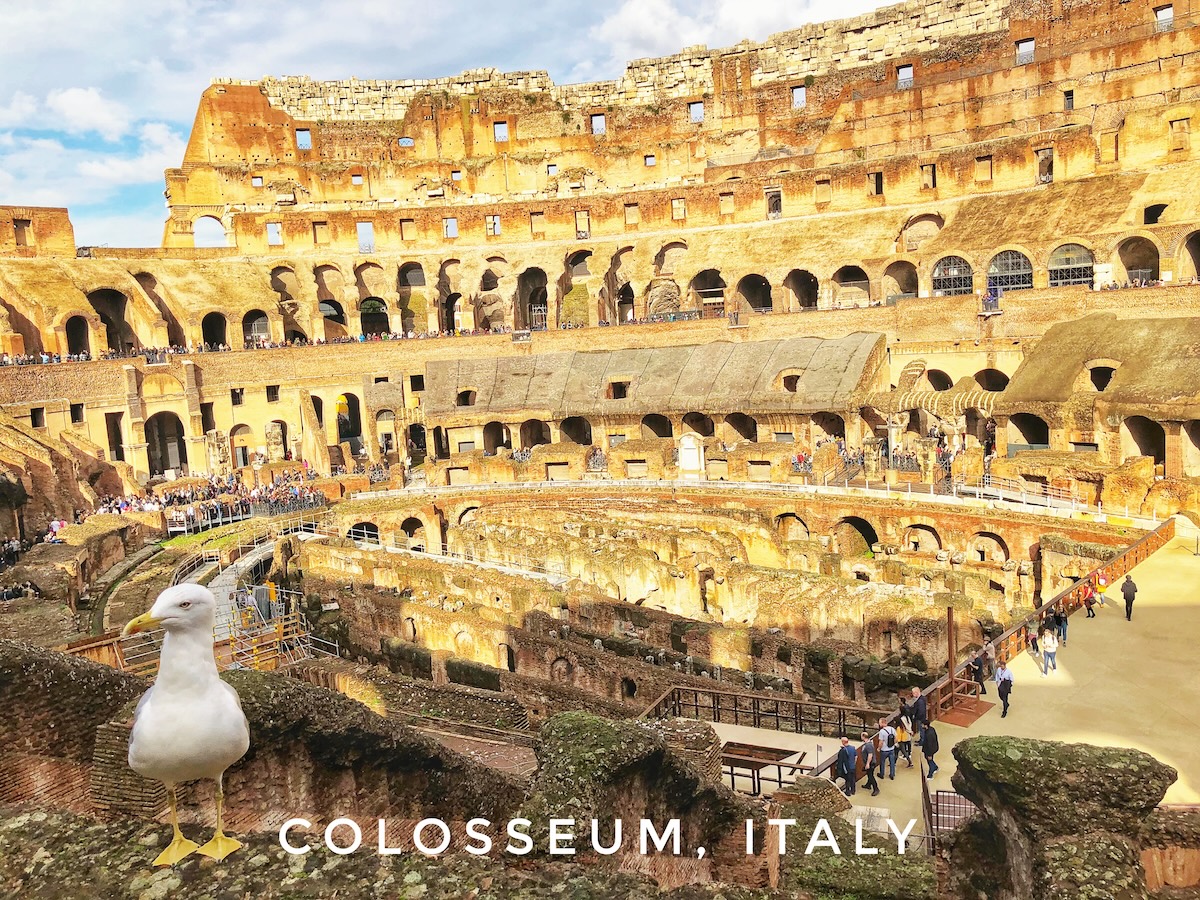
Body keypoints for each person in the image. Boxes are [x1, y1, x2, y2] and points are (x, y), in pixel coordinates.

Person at [858, 731, 880, 797]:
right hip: (869, 763)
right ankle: (868, 785)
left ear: (863, 736)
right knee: (869, 774)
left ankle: (876, 789)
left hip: (871, 763)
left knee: (871, 776)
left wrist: (867, 764)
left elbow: (870, 755)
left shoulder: (869, 745)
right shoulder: (867, 744)